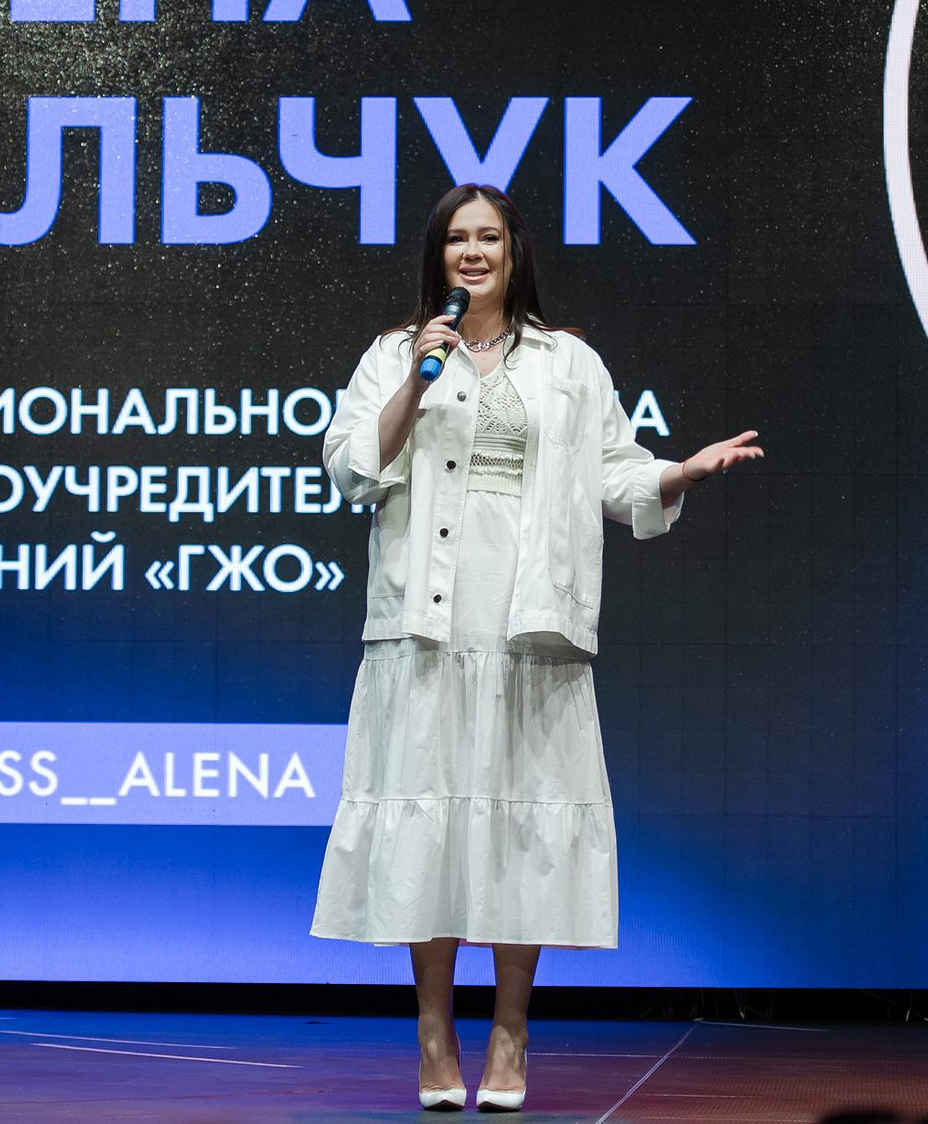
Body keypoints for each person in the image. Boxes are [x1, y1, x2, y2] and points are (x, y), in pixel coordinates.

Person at [312, 183, 762, 1111]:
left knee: (524, 825)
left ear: (515, 251)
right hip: (426, 619)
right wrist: (415, 380)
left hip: (531, 614)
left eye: (488, 237)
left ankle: (510, 1034)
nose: (471, 253)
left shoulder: (569, 362)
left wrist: (682, 470)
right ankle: (435, 1034)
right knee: (429, 824)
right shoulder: (396, 352)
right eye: (455, 240)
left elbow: (615, 471)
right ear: (437, 255)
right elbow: (354, 467)